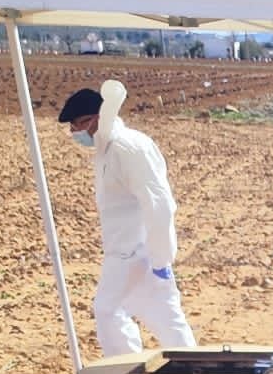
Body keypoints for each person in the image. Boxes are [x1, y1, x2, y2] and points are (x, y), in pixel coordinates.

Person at [59, 82, 197, 358]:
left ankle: (127, 371)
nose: (77, 133)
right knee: (164, 317)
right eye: (72, 127)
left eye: (81, 124)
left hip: (135, 254)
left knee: (108, 311)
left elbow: (159, 204)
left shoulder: (127, 147)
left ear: (100, 116)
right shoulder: (107, 150)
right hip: (132, 253)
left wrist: (161, 258)